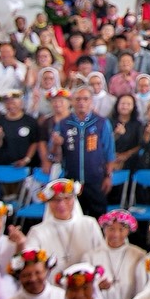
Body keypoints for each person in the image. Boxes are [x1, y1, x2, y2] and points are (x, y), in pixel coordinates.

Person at [52, 88, 116, 219]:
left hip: (96, 179)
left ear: (91, 101)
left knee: (98, 217)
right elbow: (55, 156)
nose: (81, 102)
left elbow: (109, 152)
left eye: (85, 99)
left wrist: (108, 176)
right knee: (73, 218)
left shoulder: (101, 122)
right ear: (72, 102)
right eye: (78, 99)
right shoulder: (63, 124)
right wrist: (56, 144)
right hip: (71, 180)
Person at [24, 180, 105, 268]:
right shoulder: (37, 231)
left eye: (67, 198)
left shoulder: (89, 224)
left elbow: (101, 255)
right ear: (49, 203)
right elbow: (30, 264)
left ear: (74, 200)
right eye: (55, 200)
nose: (61, 204)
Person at [91, 210, 148, 299]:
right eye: (111, 229)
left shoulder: (138, 255)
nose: (116, 234)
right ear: (104, 230)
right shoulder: (91, 256)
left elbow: (142, 289)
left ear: (128, 231)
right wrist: (97, 287)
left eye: (121, 230)